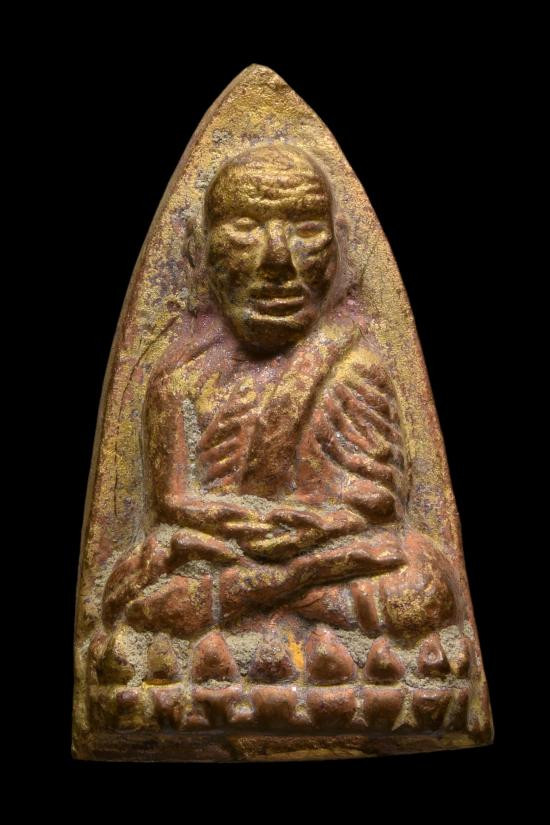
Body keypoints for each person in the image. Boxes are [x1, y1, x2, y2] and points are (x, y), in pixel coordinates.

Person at [91, 144, 457, 710]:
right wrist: (245, 529)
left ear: (340, 249)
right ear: (198, 252)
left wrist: (311, 531)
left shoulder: (353, 364)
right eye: (244, 229)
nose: (278, 260)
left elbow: (377, 503)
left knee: (424, 581)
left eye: (306, 230)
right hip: (226, 553)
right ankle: (288, 615)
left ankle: (254, 618)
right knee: (135, 583)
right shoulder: (179, 379)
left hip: (316, 558)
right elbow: (173, 503)